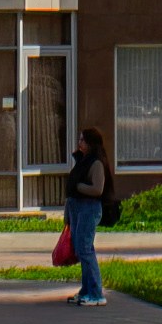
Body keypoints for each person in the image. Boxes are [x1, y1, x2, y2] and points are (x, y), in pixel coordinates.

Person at [59, 126, 114, 305]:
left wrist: (79, 187)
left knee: (85, 248)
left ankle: (97, 293)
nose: (79, 142)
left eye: (82, 140)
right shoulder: (82, 160)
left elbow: (98, 189)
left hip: (89, 208)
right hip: (77, 208)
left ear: (90, 143)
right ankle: (86, 290)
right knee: (80, 248)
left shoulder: (96, 162)